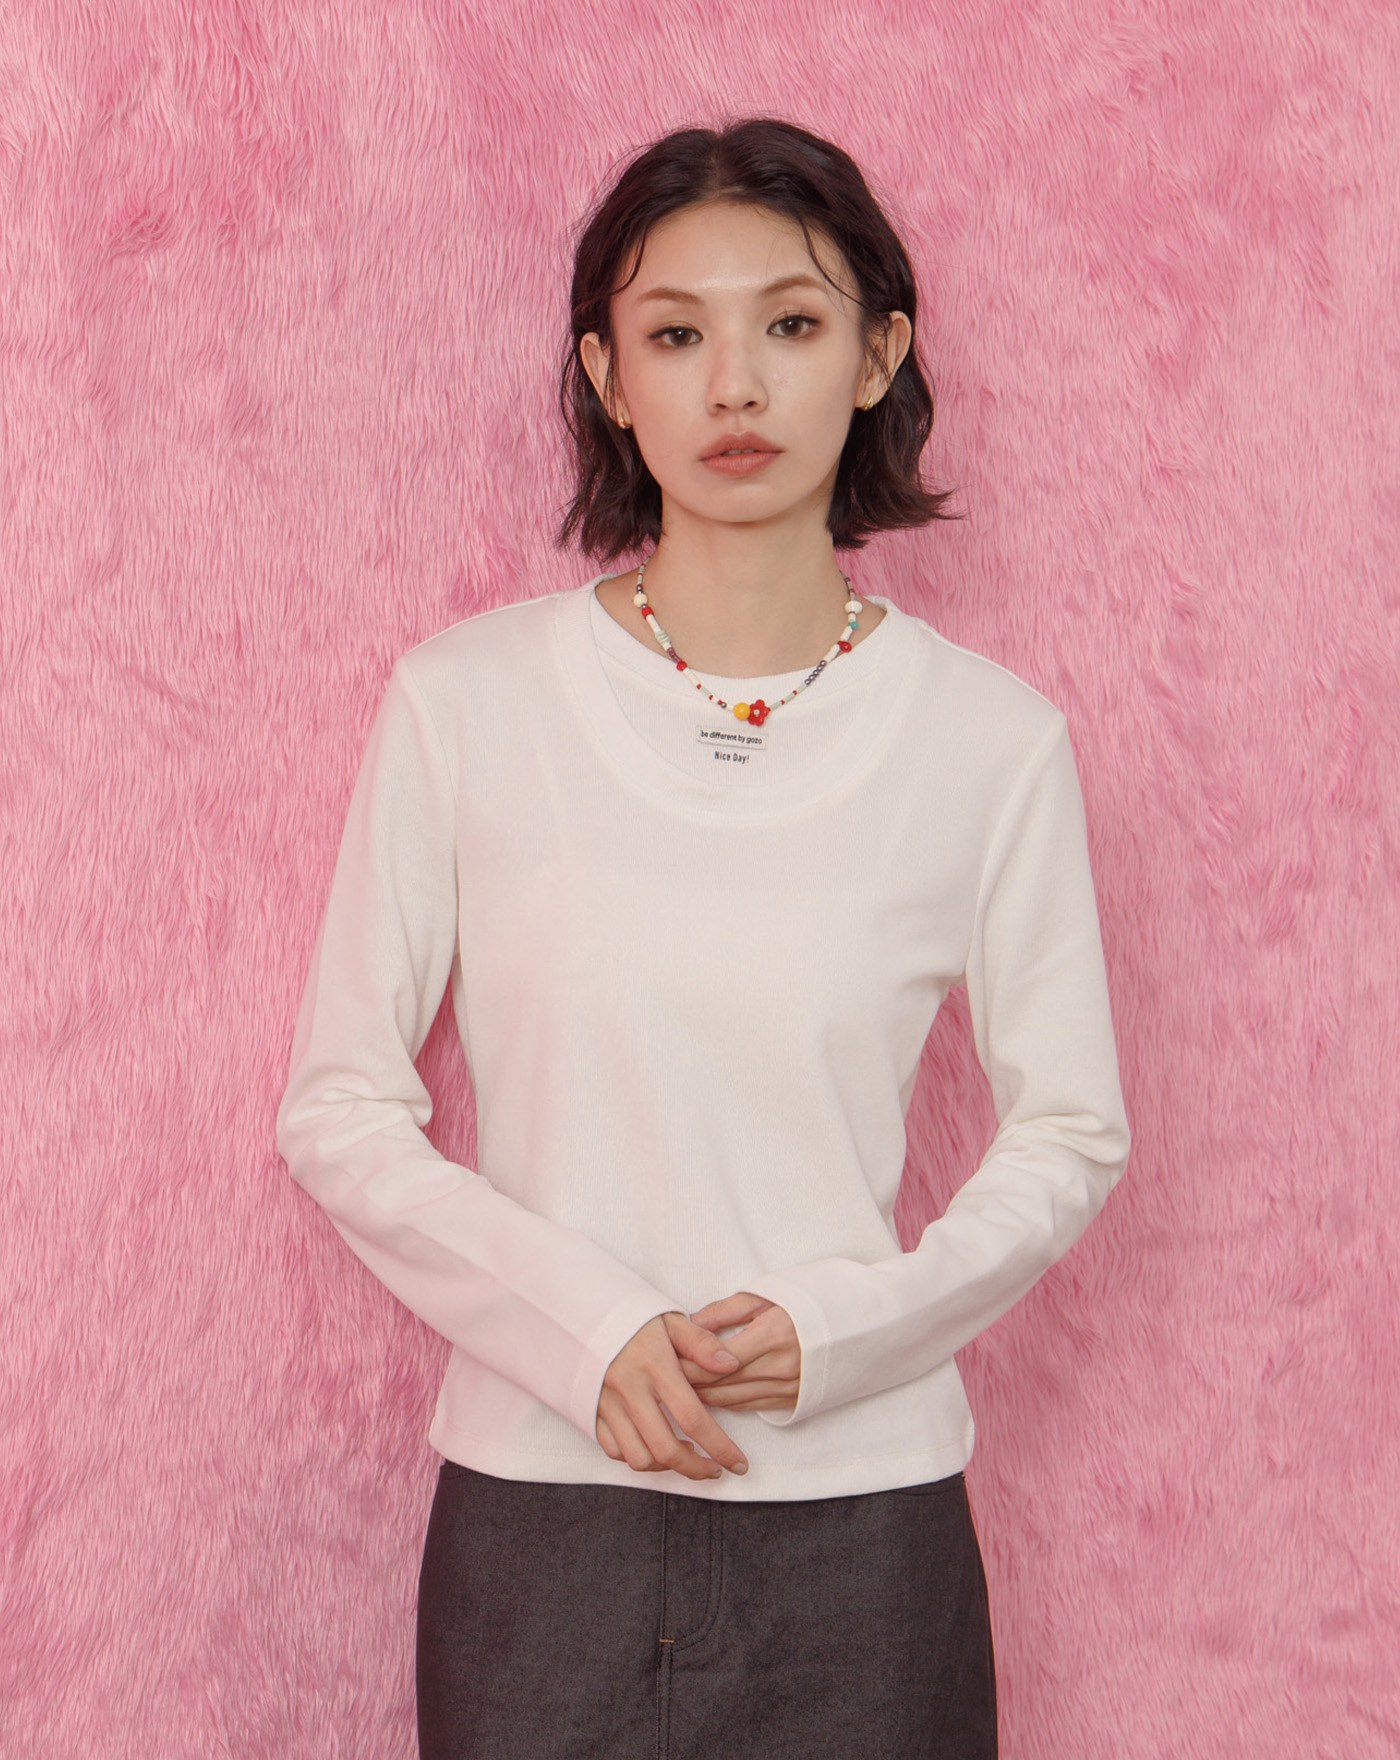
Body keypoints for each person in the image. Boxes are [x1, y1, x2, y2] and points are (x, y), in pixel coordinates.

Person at [275, 115, 1131, 1760]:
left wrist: (840, 1334)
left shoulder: (990, 742)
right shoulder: (465, 706)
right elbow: (340, 1105)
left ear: (878, 355)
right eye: (676, 335)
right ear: (607, 375)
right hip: (541, 1522)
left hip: (866, 1532)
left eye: (791, 324)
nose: (735, 386)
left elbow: (1072, 1129)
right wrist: (586, 1332)